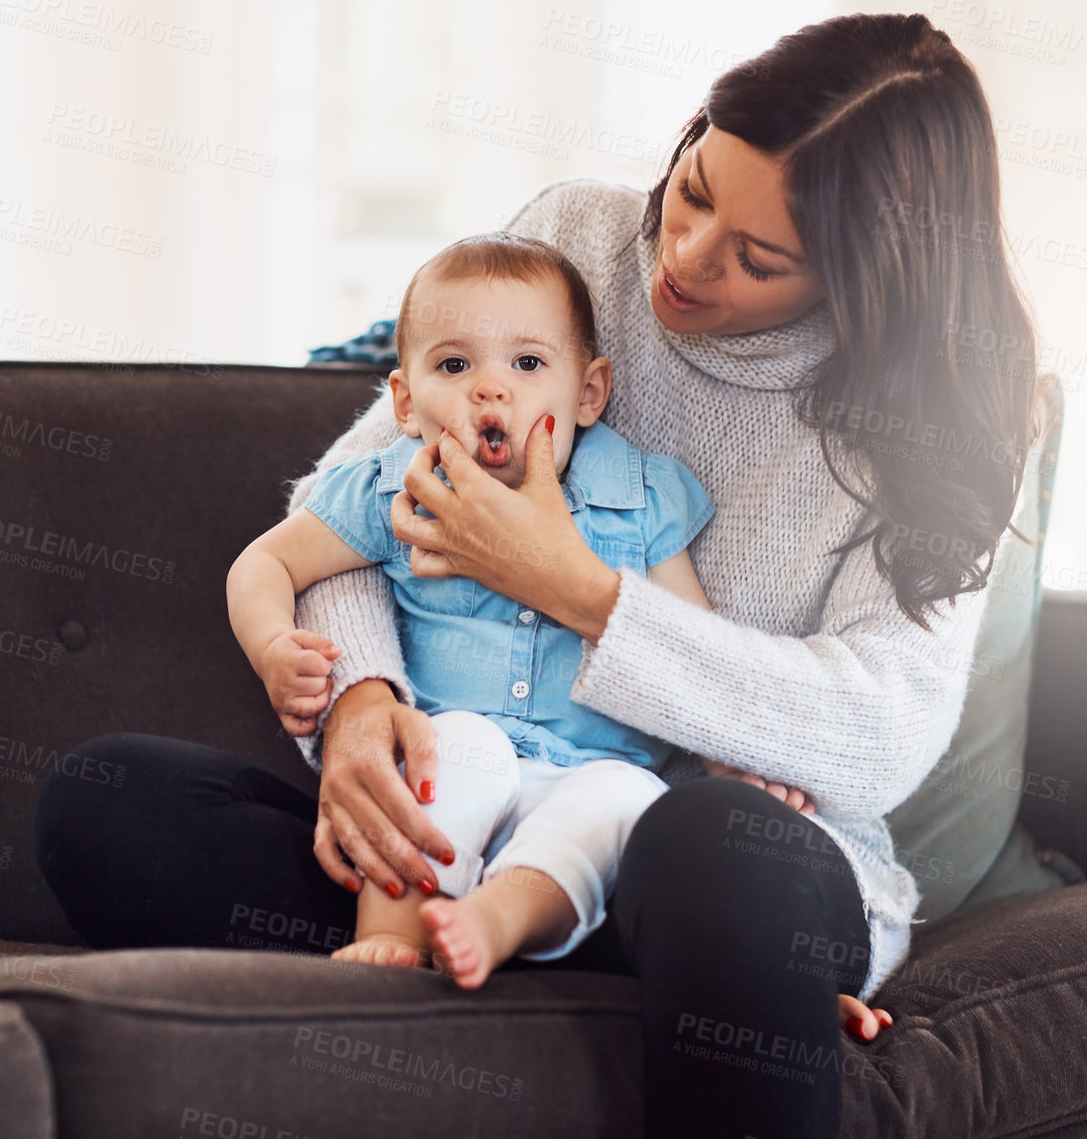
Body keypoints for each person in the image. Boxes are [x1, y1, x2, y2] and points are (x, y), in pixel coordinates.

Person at [38, 13, 1046, 1138]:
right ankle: (581, 963)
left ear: (869, 280)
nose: (684, 255)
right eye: (694, 186)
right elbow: (358, 499)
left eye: (757, 256)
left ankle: (659, 958)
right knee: (114, 800)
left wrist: (578, 589)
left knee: (709, 842)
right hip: (469, 807)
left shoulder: (936, 432)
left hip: (710, 855)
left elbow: (879, 735)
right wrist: (363, 702)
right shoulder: (575, 239)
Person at [228, 232, 893, 1048]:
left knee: (630, 802)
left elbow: (692, 646)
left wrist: (735, 764)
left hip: (591, 775)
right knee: (451, 752)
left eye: (529, 366)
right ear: (404, 403)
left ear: (590, 392)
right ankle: (396, 939)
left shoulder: (638, 499)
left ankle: (495, 922)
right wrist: (272, 647)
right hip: (458, 759)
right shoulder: (386, 488)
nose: (490, 393)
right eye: (454, 367)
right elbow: (266, 560)